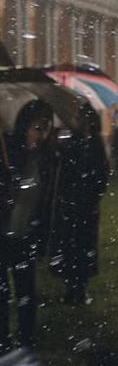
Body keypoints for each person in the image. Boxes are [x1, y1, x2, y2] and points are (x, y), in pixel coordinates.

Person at [0, 100, 57, 351]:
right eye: (37, 128)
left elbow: (46, 202)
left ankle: (26, 340)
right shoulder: (8, 150)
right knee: (2, 292)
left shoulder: (46, 159)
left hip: (25, 234)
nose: (41, 134)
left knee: (26, 293)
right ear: (25, 126)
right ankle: (3, 340)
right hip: (3, 232)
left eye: (46, 128)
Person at [49, 104, 109, 304]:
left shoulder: (91, 143)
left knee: (79, 244)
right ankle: (73, 286)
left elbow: (101, 172)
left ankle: (78, 286)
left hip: (83, 204)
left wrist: (93, 194)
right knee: (71, 244)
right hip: (73, 203)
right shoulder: (72, 141)